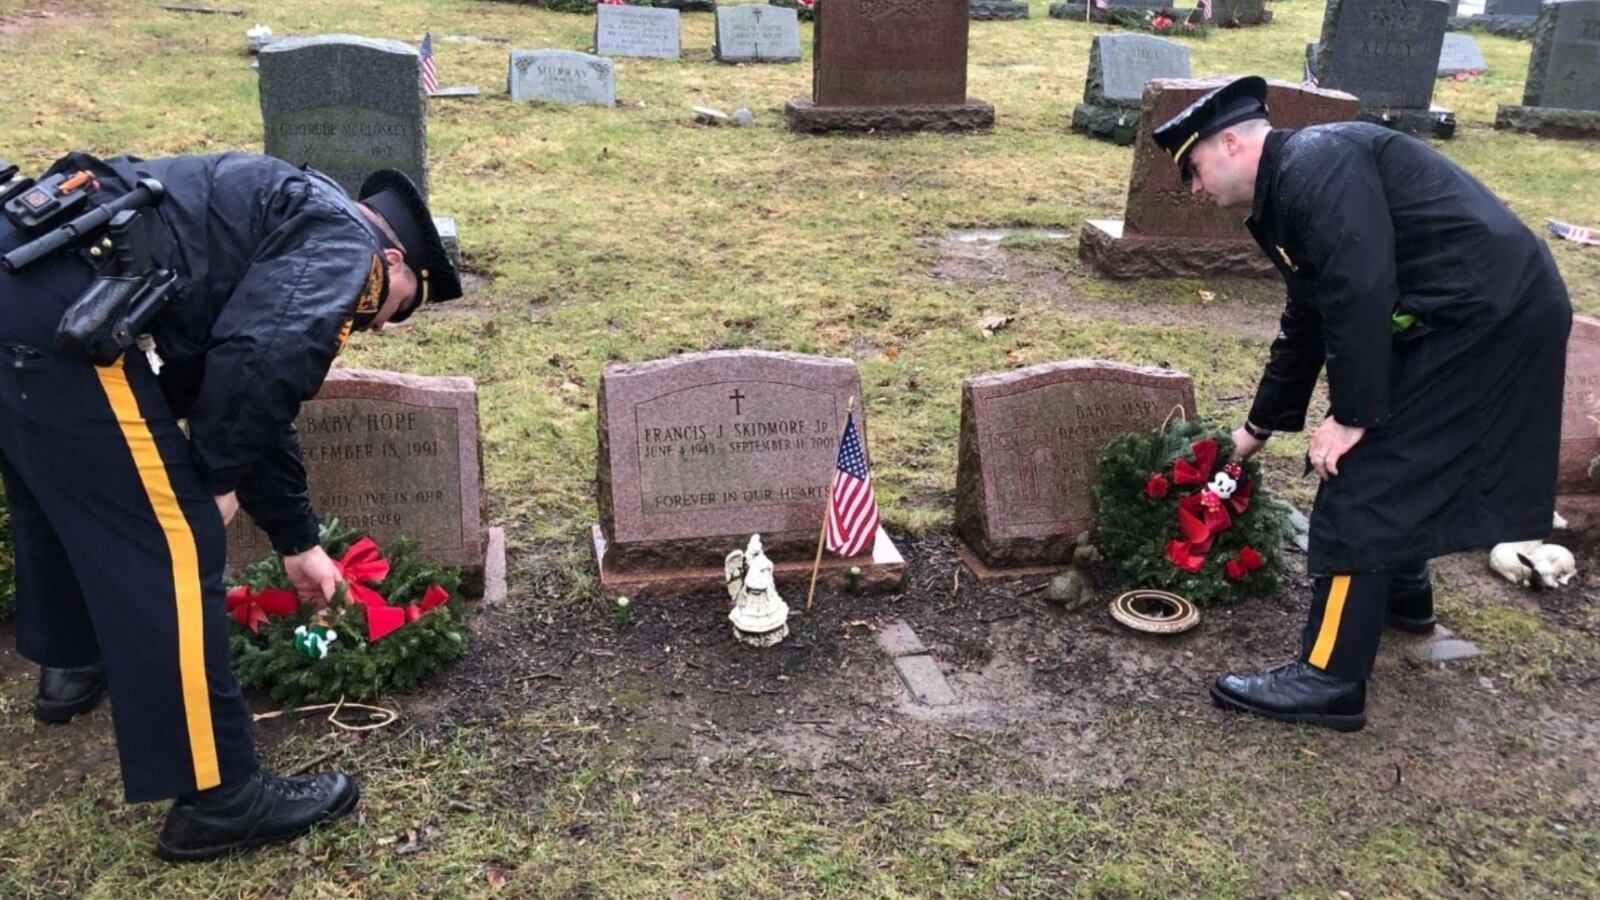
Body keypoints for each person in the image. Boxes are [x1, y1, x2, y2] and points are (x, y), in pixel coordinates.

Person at [0, 151, 460, 858]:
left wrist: (295, 537)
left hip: (24, 274)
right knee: (176, 540)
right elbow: (261, 361)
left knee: (60, 483)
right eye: (399, 309)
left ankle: (74, 662)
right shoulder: (348, 245)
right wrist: (214, 484)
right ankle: (221, 797)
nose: (375, 326)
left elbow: (228, 370)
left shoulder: (287, 209)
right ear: (394, 261)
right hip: (66, 300)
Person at [1151, 77, 1572, 732]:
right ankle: (1402, 596)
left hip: (1484, 316)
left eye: (1194, 171)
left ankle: (1329, 677)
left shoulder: (1314, 167)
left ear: (1230, 142)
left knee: (1365, 480)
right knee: (1396, 462)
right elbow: (1311, 315)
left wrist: (1350, 416)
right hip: (1476, 310)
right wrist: (1256, 429)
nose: (1195, 190)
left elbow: (1360, 288)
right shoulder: (1291, 187)